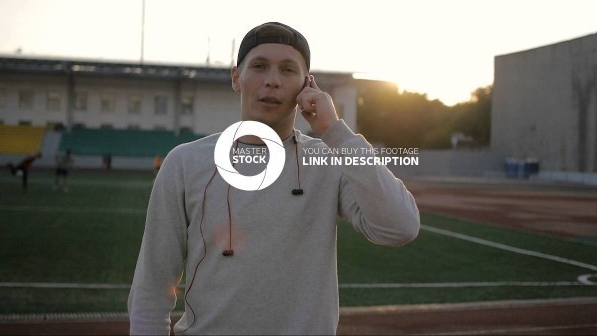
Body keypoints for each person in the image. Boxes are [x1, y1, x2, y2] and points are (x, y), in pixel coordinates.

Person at [128, 22, 420, 335]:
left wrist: (335, 131)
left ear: (306, 84)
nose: (272, 81)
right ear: (236, 78)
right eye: (259, 66)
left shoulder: (328, 160)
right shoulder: (185, 162)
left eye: (287, 70)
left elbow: (400, 227)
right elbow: (153, 286)